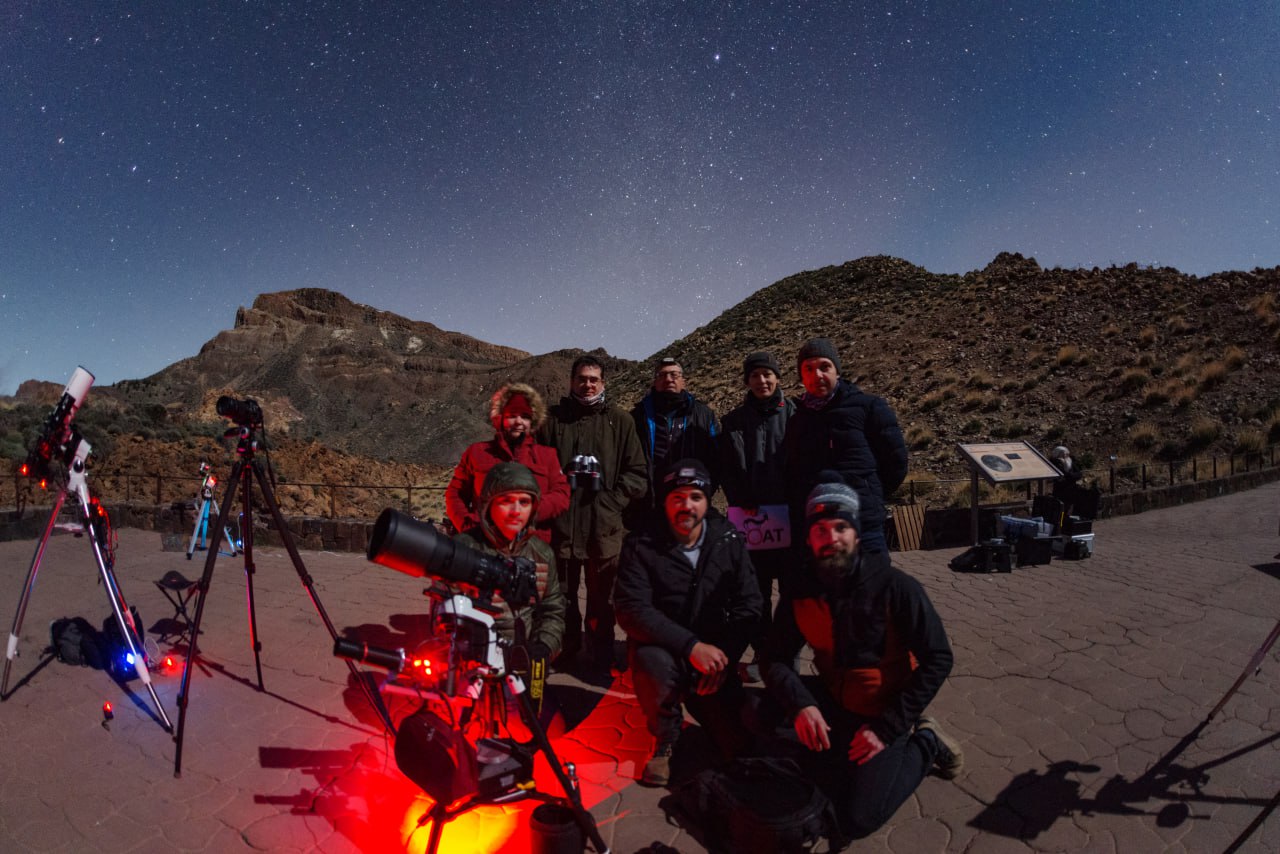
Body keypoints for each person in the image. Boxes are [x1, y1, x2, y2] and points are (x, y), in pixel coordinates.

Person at [761, 477, 963, 839]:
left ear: (856, 534)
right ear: (809, 538)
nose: (832, 538)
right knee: (754, 712)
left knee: (858, 819)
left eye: (841, 527)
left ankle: (927, 742)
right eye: (820, 530)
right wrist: (802, 705)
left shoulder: (896, 587)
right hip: (832, 698)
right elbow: (773, 658)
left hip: (883, 710)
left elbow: (938, 659)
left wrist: (887, 728)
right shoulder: (800, 590)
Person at [614, 459, 763, 787]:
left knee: (738, 745)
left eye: (695, 497)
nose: (687, 506)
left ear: (707, 501)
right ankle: (665, 738)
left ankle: (707, 707)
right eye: (677, 497)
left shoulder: (728, 539)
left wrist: (725, 657)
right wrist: (690, 646)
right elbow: (631, 608)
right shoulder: (641, 543)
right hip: (666, 650)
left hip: (714, 657)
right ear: (665, 501)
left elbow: (750, 604)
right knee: (648, 660)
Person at [537, 355, 649, 667]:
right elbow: (535, 468)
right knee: (562, 595)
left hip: (604, 527)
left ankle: (600, 652)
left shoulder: (620, 421)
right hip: (562, 524)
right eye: (582, 379)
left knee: (602, 598)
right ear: (571, 381)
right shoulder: (552, 421)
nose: (587, 385)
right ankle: (566, 649)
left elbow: (637, 473)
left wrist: (611, 501)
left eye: (593, 380)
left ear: (603, 383)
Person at [782, 338, 908, 553]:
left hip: (864, 526)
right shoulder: (797, 420)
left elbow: (895, 462)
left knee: (872, 574)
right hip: (819, 528)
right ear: (802, 376)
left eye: (824, 367)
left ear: (837, 371)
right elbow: (793, 472)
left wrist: (870, 495)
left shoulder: (869, 407)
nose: (817, 375)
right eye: (809, 369)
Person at [719, 351, 795, 681]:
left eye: (767, 374)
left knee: (792, 593)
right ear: (747, 381)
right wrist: (740, 497)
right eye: (755, 376)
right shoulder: (733, 422)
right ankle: (764, 654)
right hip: (751, 522)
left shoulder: (797, 415)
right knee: (755, 594)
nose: (762, 381)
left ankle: (787, 656)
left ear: (777, 377)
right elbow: (726, 469)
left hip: (791, 520)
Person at [450, 462, 565, 664]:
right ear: (488, 505)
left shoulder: (542, 554)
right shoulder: (463, 549)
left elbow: (552, 609)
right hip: (471, 660)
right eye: (506, 501)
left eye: (524, 502)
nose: (516, 511)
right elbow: (445, 611)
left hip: (522, 659)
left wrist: (544, 646)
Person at [445, 383, 570, 543]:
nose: (518, 422)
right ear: (500, 418)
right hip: (484, 543)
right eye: (512, 415)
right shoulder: (477, 453)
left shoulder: (547, 456)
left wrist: (527, 511)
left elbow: (561, 495)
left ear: (532, 422)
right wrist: (468, 527)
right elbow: (455, 494)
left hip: (533, 545)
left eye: (525, 416)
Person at [631, 357, 721, 519]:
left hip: (690, 502)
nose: (668, 379)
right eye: (662, 375)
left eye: (674, 375)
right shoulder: (638, 416)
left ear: (683, 381)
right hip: (649, 504)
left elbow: (717, 458)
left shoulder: (703, 415)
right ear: (655, 382)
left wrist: (705, 491)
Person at [1048, 445, 1100, 519]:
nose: (1066, 456)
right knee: (1062, 511)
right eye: (1064, 454)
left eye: (1067, 454)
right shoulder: (1056, 462)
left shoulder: (1070, 461)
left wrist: (1070, 476)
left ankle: (1084, 518)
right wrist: (1071, 476)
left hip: (1072, 488)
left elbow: (1079, 474)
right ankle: (1062, 523)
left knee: (1092, 494)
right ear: (1058, 454)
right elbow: (1067, 476)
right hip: (1062, 491)